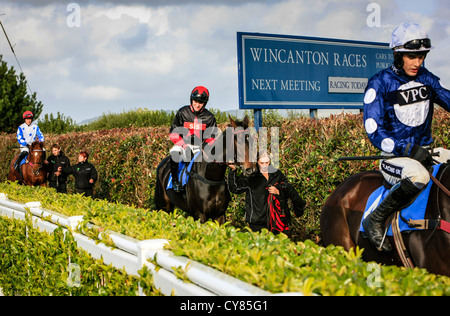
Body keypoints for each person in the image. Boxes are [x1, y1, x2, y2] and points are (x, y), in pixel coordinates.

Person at [362, 23, 450, 252]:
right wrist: (407, 149)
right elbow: (373, 130)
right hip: (394, 158)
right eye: (412, 56)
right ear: (398, 54)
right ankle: (375, 218)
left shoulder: (427, 79)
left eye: (421, 56)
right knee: (419, 175)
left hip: (427, 151)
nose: (417, 62)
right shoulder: (379, 82)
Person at [227, 151, 305, 233]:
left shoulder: (276, 174)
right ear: (257, 161)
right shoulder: (251, 175)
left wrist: (278, 191)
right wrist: (233, 171)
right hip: (257, 221)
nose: (264, 165)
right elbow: (235, 188)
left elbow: (287, 189)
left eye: (267, 162)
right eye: (262, 163)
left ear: (270, 161)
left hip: (277, 221)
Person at [169, 86, 217, 192]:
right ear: (191, 99)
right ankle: (175, 182)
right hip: (183, 144)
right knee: (174, 153)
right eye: (195, 101)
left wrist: (205, 147)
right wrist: (185, 146)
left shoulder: (210, 117)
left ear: (205, 103)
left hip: (200, 147)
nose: (197, 104)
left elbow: (212, 136)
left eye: (201, 102)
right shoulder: (182, 112)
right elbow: (173, 133)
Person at [14, 111, 45, 176]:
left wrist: (40, 143)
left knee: (43, 150)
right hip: (25, 145)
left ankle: (44, 163)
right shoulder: (21, 127)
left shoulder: (36, 127)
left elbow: (41, 136)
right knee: (25, 151)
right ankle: (17, 163)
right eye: (27, 119)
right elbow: (19, 138)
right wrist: (26, 144)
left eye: (30, 119)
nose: (29, 121)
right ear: (25, 119)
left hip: (34, 146)